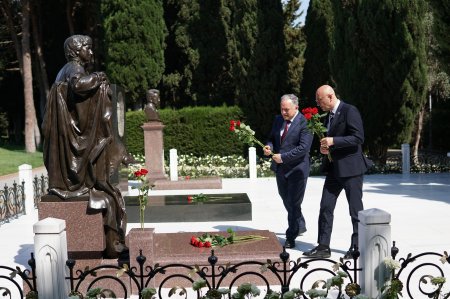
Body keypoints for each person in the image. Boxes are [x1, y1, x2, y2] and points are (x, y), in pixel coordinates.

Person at [42, 35, 130, 258]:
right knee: (107, 195)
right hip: (70, 139)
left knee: (108, 194)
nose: (91, 53)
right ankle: (112, 244)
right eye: (88, 49)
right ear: (76, 50)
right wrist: (98, 78)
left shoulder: (65, 69)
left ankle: (112, 242)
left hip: (65, 136)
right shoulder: (73, 68)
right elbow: (78, 85)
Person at [303, 85, 372, 259]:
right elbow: (331, 141)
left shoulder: (350, 111)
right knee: (325, 206)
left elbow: (358, 138)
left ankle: (357, 247)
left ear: (330, 96)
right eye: (317, 101)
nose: (318, 104)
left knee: (355, 210)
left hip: (351, 170)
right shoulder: (328, 116)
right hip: (334, 170)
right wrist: (326, 148)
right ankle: (323, 247)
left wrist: (334, 141)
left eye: (320, 100)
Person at [264, 94, 313, 249]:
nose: (283, 112)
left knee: (293, 202)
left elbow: (303, 148)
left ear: (296, 107)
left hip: (297, 170)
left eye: (287, 109)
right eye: (282, 109)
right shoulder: (278, 120)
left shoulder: (305, 123)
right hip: (281, 169)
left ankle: (291, 236)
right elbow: (271, 138)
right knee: (287, 200)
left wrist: (283, 157)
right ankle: (300, 224)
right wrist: (269, 147)